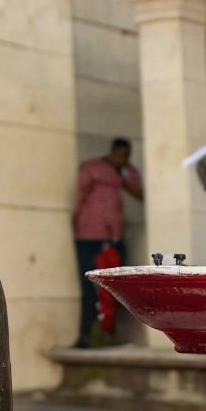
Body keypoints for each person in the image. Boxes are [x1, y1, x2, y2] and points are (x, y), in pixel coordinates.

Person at [73, 138, 142, 347]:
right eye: (122, 155)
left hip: (114, 239)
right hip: (89, 237)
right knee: (90, 288)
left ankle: (108, 333)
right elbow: (79, 195)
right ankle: (87, 335)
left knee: (116, 288)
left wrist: (123, 172)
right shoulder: (92, 168)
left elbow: (139, 193)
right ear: (115, 151)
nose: (123, 159)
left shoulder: (124, 172)